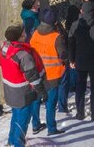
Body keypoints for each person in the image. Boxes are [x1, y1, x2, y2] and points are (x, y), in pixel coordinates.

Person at [0, 24, 46, 147]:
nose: (25, 34)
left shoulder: (5, 47)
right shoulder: (24, 55)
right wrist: (42, 92)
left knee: (15, 117)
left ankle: (11, 140)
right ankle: (18, 144)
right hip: (23, 94)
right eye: (23, 33)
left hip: (11, 91)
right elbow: (33, 77)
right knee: (23, 121)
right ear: (19, 37)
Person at [68, 0, 94, 120]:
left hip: (80, 61)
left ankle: (80, 113)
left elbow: (71, 43)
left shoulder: (75, 25)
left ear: (81, 11)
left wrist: (71, 59)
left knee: (80, 88)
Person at [29, 8, 68, 136]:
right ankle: (51, 128)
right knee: (50, 103)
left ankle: (35, 124)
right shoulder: (57, 37)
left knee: (36, 100)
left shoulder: (35, 33)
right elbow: (63, 54)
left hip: (37, 74)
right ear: (54, 22)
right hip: (52, 75)